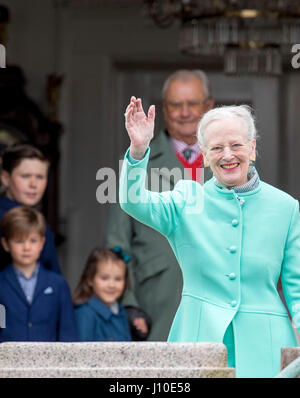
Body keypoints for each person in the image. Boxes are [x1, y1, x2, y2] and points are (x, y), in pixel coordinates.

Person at [119, 97, 300, 378]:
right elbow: (134, 201)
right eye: (216, 148)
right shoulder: (186, 199)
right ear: (204, 155)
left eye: (237, 145)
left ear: (252, 148)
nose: (227, 155)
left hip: (267, 345)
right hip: (197, 339)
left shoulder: (286, 207)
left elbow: (297, 289)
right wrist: (139, 150)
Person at [105, 70, 214, 340]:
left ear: (209, 105)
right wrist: (129, 301)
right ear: (165, 108)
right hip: (155, 298)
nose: (185, 112)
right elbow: (117, 241)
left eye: (193, 104)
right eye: (176, 104)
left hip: (215, 296)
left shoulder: (228, 161)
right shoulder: (136, 160)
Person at [0, 206, 77, 342]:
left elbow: (68, 333)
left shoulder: (58, 284)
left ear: (42, 242)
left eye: (33, 240)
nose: (27, 248)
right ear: (6, 244)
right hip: (8, 362)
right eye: (19, 241)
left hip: (49, 362)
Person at [0, 143, 61, 273]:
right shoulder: (3, 220)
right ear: (5, 178)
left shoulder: (41, 222)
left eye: (40, 177)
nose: (33, 184)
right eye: (25, 176)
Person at [73, 247, 135, 342]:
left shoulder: (120, 312)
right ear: (90, 279)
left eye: (118, 279)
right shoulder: (85, 314)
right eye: (104, 278)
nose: (111, 285)